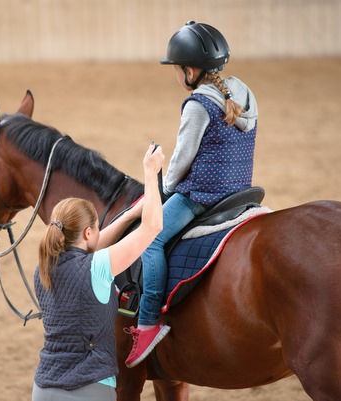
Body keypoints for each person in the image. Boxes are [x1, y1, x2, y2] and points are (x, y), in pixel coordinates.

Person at [124, 21, 259, 368]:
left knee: (150, 238)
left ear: (189, 70)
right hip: (240, 191)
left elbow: (181, 160)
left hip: (203, 195)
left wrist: (161, 189)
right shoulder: (243, 93)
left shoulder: (198, 104)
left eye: (177, 70)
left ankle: (148, 322)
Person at [32, 143, 165, 401]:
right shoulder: (98, 267)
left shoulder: (43, 267)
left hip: (43, 389)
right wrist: (151, 172)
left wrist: (127, 216)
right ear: (87, 233)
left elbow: (89, 247)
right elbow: (152, 227)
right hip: (90, 389)